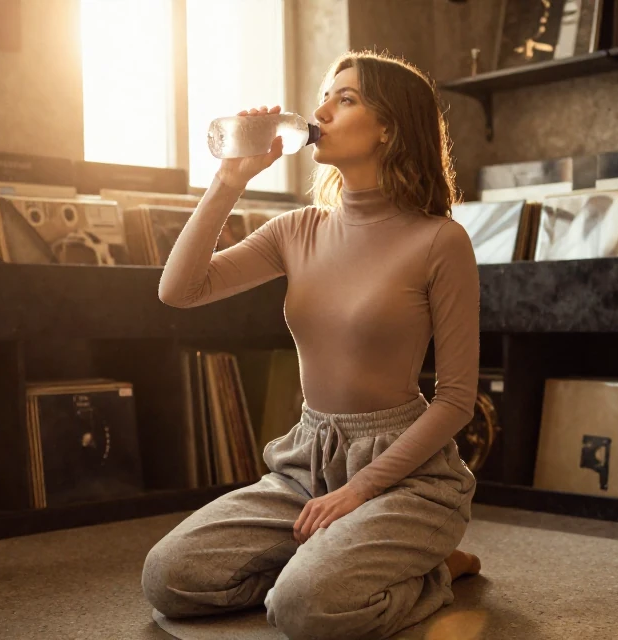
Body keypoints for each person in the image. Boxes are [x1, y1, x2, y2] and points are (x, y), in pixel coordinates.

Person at [142, 50, 482, 640]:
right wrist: (230, 179)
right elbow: (179, 290)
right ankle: (328, 562)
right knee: (168, 577)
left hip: (405, 473)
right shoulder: (296, 230)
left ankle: (434, 571)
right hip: (308, 460)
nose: (321, 110)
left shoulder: (440, 241)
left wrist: (361, 489)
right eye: (325, 95)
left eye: (345, 99)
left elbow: (456, 399)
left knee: (306, 610)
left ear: (389, 127)